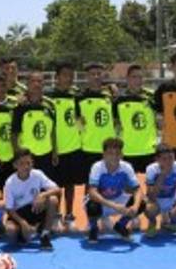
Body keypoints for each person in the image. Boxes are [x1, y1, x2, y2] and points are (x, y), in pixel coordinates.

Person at [85, 137, 143, 243]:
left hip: (118, 198)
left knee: (142, 202)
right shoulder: (97, 167)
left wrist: (135, 207)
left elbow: (138, 190)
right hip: (102, 201)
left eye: (117, 153)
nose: (114, 157)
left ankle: (120, 226)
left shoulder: (127, 167)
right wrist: (114, 206)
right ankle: (93, 229)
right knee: (91, 205)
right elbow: (92, 192)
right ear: (104, 155)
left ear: (122, 155)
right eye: (110, 153)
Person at [2, 148, 59, 250]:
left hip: (35, 208)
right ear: (15, 165)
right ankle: (25, 233)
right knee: (10, 231)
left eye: (29, 163)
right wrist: (22, 223)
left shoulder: (38, 174)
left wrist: (43, 195)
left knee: (53, 199)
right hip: (19, 213)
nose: (26, 166)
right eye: (22, 163)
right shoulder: (10, 182)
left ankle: (44, 234)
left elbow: (57, 189)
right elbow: (9, 209)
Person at [48, 63, 83, 227]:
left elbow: (78, 121)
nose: (68, 79)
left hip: (73, 147)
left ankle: (69, 214)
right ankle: (55, 215)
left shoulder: (75, 97)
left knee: (70, 184)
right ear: (57, 77)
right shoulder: (48, 98)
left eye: (71, 75)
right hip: (55, 149)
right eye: (65, 75)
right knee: (55, 185)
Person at [76, 62, 116, 202]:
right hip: (88, 147)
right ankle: (89, 216)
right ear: (87, 76)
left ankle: (106, 214)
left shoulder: (110, 95)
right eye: (93, 74)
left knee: (107, 183)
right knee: (90, 184)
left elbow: (116, 118)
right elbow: (77, 121)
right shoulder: (80, 97)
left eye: (99, 74)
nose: (96, 77)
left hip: (108, 148)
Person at [11, 73, 57, 191]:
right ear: (27, 84)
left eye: (40, 81)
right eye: (33, 81)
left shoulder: (50, 105)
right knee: (27, 190)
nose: (36, 84)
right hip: (27, 157)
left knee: (48, 190)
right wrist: (18, 156)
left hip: (46, 155)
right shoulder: (20, 106)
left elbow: (52, 131)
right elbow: (14, 133)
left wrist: (55, 152)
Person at [114, 64, 158, 174]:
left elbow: (161, 117)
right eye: (134, 77)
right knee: (129, 188)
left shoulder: (151, 96)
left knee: (152, 187)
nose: (138, 80)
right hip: (127, 150)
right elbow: (115, 124)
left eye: (140, 77)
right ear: (127, 79)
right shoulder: (119, 100)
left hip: (149, 150)